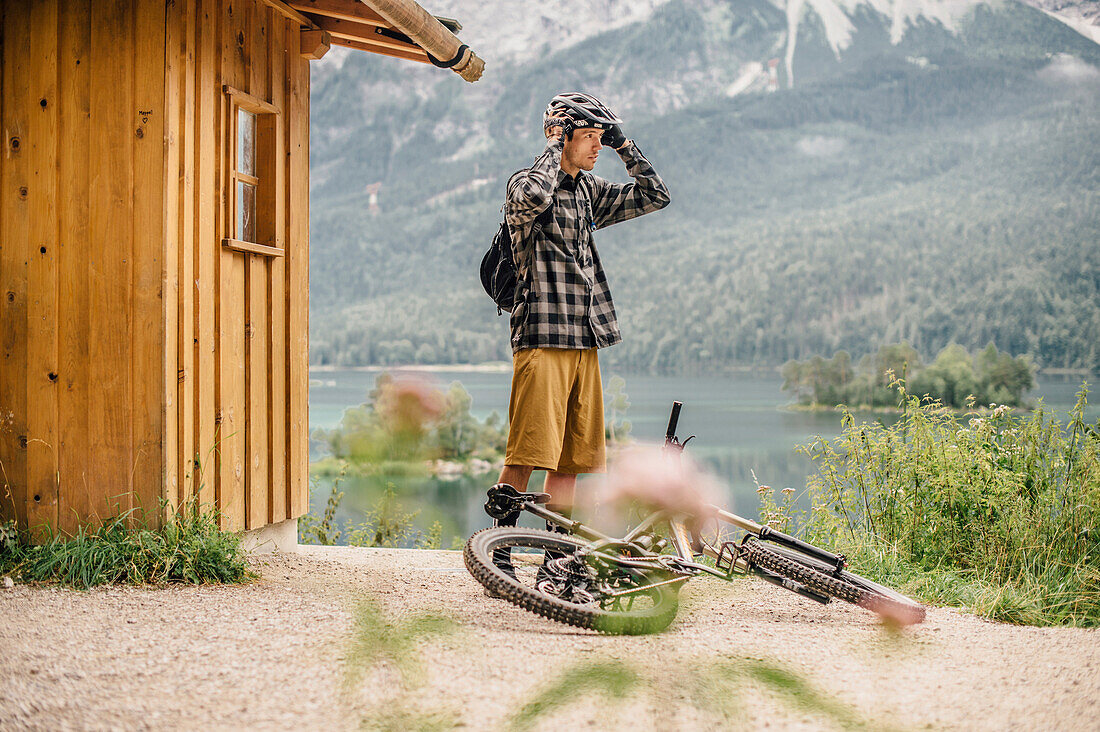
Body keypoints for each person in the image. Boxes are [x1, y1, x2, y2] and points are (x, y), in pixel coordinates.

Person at [489, 92, 670, 578]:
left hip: (584, 340)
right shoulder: (526, 185)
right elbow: (532, 198)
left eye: (599, 139)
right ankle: (499, 552)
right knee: (527, 452)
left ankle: (556, 552)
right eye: (589, 138)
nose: (596, 147)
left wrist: (624, 145)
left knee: (570, 459)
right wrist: (553, 148)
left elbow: (655, 195)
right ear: (562, 136)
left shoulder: (588, 191)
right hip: (542, 337)